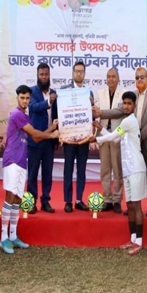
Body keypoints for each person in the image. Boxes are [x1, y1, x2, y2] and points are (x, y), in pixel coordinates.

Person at [0, 85, 59, 254]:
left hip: (21, 161)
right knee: (10, 197)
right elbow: (37, 135)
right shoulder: (18, 114)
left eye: (27, 98)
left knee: (17, 198)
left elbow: (36, 135)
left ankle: (12, 237)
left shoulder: (24, 115)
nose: (25, 101)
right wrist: (52, 135)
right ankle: (4, 238)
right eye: (22, 98)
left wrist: (52, 128)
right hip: (12, 160)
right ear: (17, 98)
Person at [98, 67, 147, 216]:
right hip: (131, 145)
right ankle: (132, 205)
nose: (139, 80)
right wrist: (102, 113)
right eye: (137, 78)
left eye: (142, 77)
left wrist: (140, 135)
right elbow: (119, 111)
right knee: (131, 175)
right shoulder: (132, 96)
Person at [91, 91, 146, 255]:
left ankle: (140, 242)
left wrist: (96, 138)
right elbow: (115, 139)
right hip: (128, 170)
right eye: (124, 103)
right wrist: (101, 129)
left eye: (130, 103)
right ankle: (133, 239)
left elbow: (114, 136)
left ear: (134, 106)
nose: (127, 106)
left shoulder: (129, 121)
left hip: (136, 169)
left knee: (136, 206)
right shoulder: (125, 122)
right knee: (129, 205)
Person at [60, 61, 93, 213]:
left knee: (81, 169)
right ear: (73, 73)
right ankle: (68, 201)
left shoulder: (88, 92)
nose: (79, 74)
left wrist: (91, 105)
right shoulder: (64, 91)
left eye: (82, 71)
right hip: (69, 138)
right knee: (68, 169)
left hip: (84, 138)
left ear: (85, 74)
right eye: (77, 71)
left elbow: (91, 115)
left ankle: (79, 199)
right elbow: (59, 113)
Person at [27, 63, 58, 214]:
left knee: (47, 172)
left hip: (49, 141)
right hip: (35, 139)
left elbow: (57, 116)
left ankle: (45, 201)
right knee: (32, 173)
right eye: (41, 74)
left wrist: (56, 139)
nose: (44, 77)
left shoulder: (54, 93)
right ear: (37, 75)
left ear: (49, 75)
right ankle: (31, 202)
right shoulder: (32, 92)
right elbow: (33, 107)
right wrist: (48, 102)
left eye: (46, 74)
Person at [95, 68, 125, 214]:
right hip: (103, 136)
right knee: (105, 170)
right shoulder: (100, 94)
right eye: (108, 76)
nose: (111, 79)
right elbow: (96, 113)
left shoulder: (124, 94)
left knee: (117, 170)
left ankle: (117, 200)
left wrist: (101, 112)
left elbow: (120, 112)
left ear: (118, 78)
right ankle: (107, 199)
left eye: (113, 76)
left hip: (116, 138)